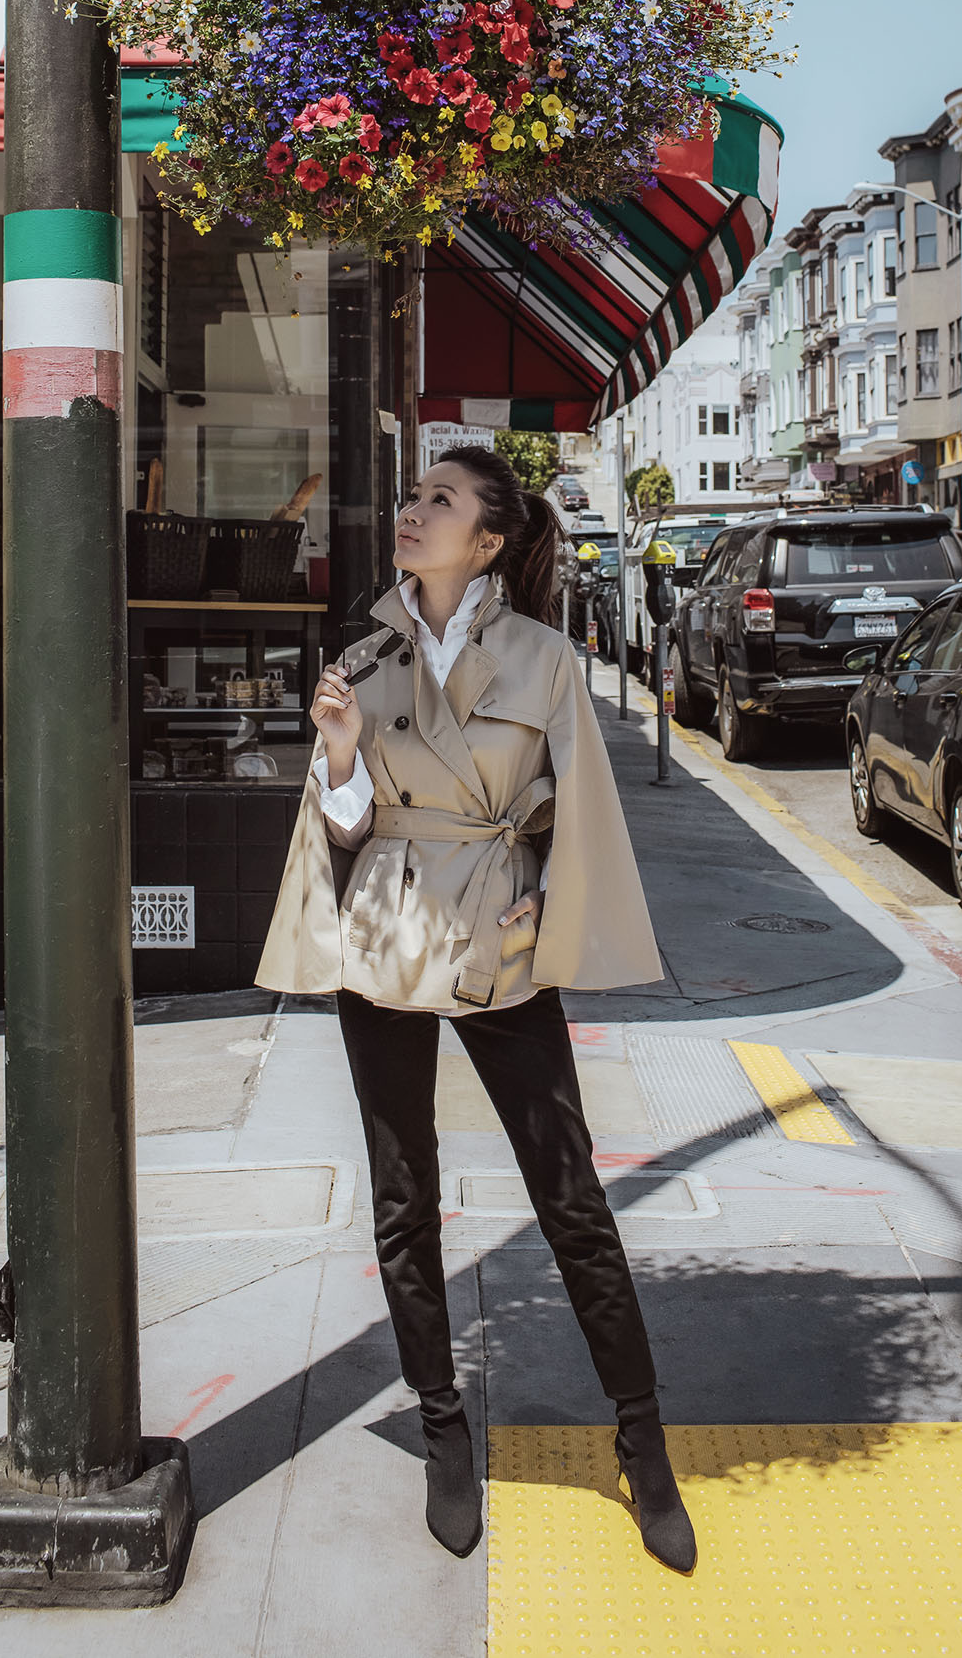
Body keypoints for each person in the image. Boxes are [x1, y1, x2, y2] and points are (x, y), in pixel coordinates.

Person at [257, 446, 696, 1574]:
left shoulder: (547, 660)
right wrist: (342, 757)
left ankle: (641, 1436)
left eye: (437, 502)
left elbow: (577, 815)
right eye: (411, 497)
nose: (411, 512)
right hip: (391, 936)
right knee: (404, 1201)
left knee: (570, 1192)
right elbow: (342, 831)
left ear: (489, 541)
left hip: (497, 941)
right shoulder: (359, 655)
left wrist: (548, 902)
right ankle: (443, 1422)